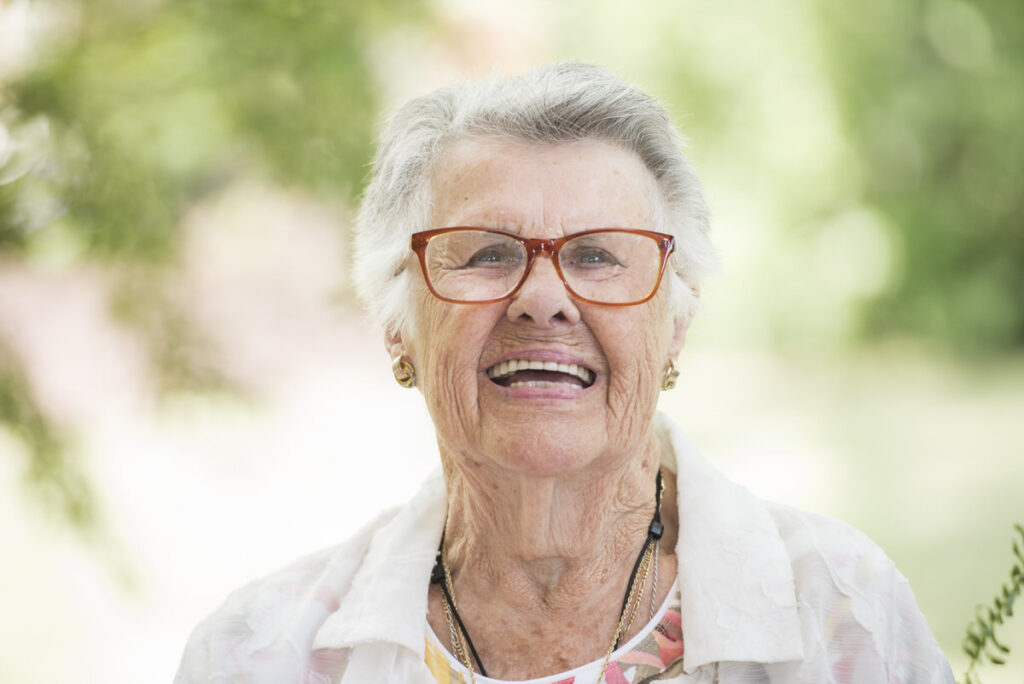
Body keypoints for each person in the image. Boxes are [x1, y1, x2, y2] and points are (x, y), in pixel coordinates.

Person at [174, 62, 954, 683]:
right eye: (486, 252)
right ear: (395, 326)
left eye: (597, 254)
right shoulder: (255, 658)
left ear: (675, 323)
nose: (543, 299)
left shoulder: (844, 615)